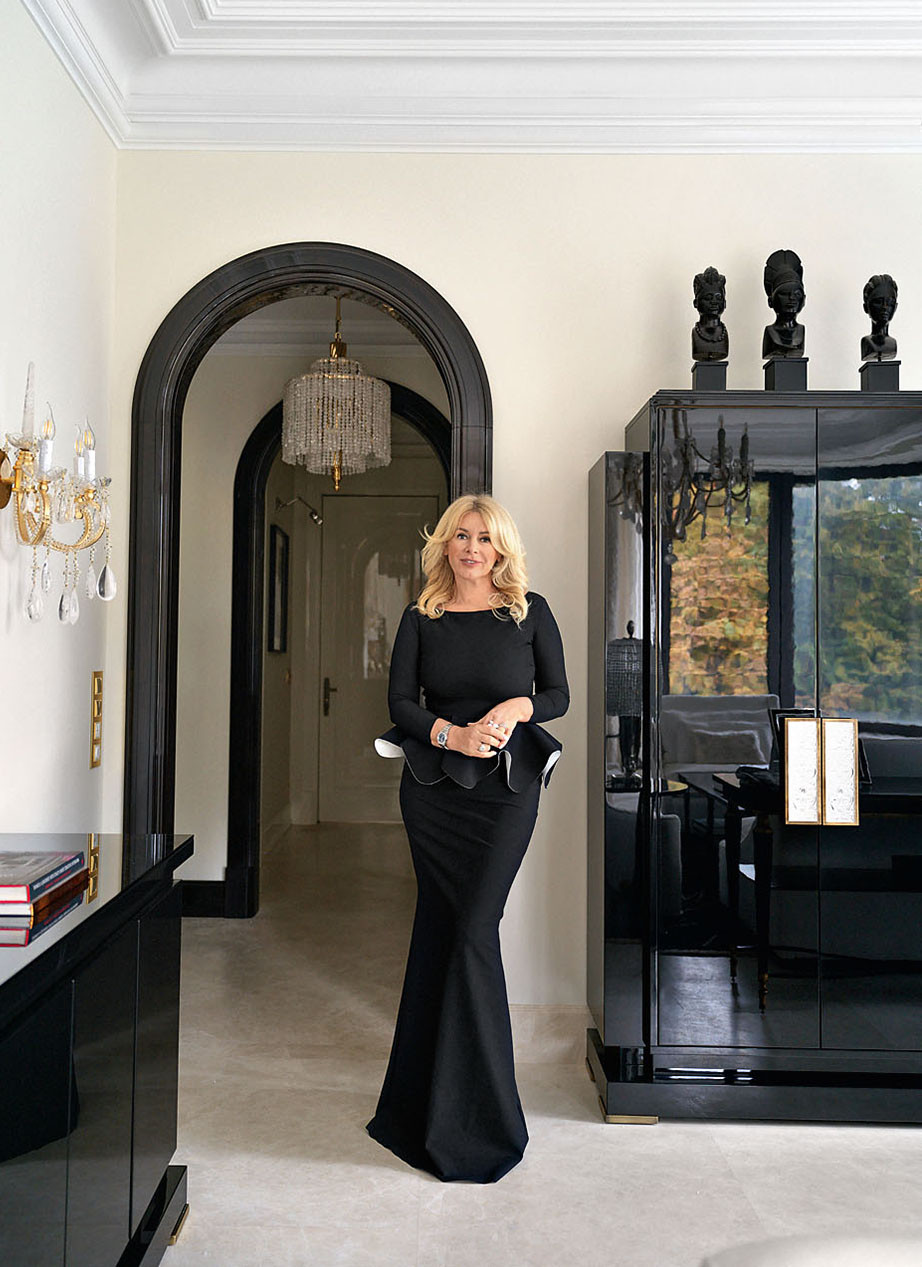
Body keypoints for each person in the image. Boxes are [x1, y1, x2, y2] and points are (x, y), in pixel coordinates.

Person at [368, 493, 569, 1183]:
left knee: (472, 929)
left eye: (484, 537)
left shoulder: (529, 612)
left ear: (501, 546)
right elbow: (399, 703)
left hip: (505, 793)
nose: (472, 548)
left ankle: (479, 1121)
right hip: (433, 791)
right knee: (440, 927)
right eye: (461, 535)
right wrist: (449, 733)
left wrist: (516, 706)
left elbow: (559, 695)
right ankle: (418, 1112)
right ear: (444, 545)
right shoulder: (420, 616)